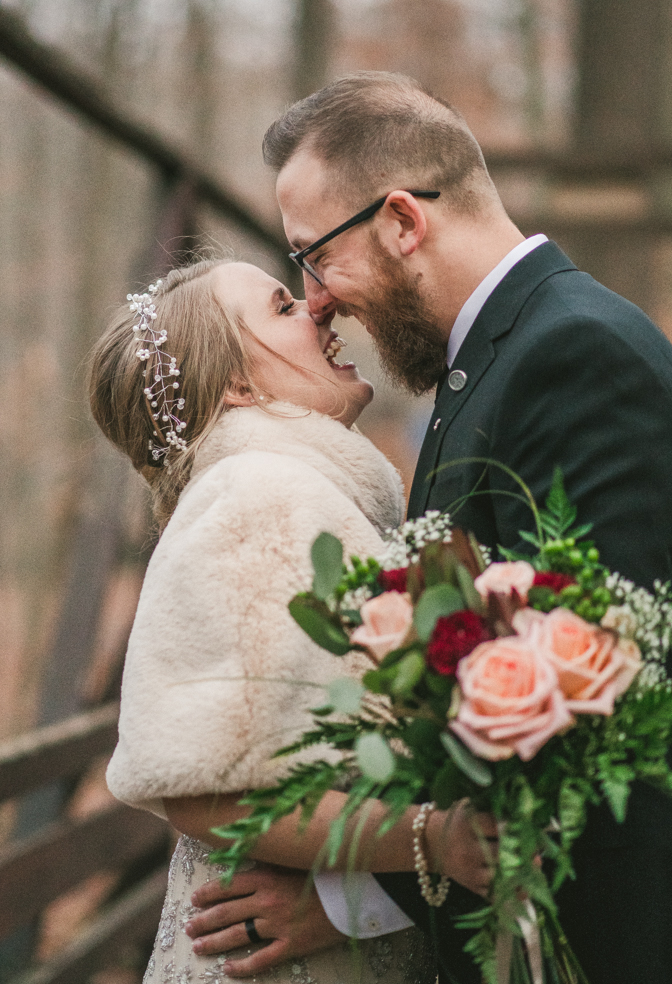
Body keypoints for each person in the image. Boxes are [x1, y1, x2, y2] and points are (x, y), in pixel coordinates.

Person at [185, 73, 672, 984]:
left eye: (315, 257)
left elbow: (609, 711)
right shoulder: (491, 361)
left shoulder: (572, 355)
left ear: (404, 221)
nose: (316, 298)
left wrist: (357, 898)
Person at [89, 257, 499, 984]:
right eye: (282, 308)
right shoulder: (257, 495)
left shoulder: (296, 490)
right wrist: (432, 838)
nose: (317, 311)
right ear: (239, 386)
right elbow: (202, 790)